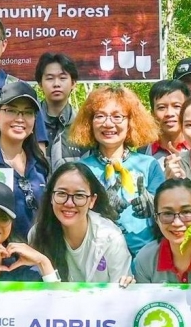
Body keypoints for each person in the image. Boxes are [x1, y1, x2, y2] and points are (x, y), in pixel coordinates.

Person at [68, 84, 167, 253]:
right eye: (100, 116)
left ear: (131, 123)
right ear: (89, 123)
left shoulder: (149, 165)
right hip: (97, 255)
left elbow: (168, 215)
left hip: (145, 255)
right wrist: (100, 208)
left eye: (117, 117)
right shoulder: (80, 169)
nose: (108, 124)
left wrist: (155, 206)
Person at [29, 162, 133, 283]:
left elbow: (120, 294)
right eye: (62, 193)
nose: (69, 203)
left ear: (92, 201)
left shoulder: (111, 238)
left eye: (79, 195)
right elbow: (42, 295)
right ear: (51, 197)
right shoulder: (38, 234)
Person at [0, 79, 50, 224]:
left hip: (37, 247)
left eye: (28, 112)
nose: (20, 118)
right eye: (11, 110)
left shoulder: (40, 164)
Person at [35, 53, 80, 162]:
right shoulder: (29, 124)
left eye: (62, 78)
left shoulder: (82, 125)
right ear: (40, 84)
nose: (56, 84)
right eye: (50, 78)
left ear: (73, 83)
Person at [147, 79, 188, 157]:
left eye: (176, 106)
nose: (169, 113)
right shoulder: (143, 153)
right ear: (152, 114)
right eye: (161, 107)